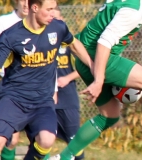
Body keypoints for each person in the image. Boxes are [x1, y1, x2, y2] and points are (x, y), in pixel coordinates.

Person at [49, 0, 142, 160]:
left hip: (84, 58)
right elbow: (104, 42)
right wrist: (99, 80)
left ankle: (65, 156)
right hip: (96, 56)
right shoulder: (135, 10)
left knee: (109, 115)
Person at [0, 0, 93, 159]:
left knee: (46, 141)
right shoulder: (11, 36)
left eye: (54, 9)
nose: (53, 13)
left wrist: (93, 66)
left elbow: (74, 45)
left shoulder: (58, 28)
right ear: (35, 8)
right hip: (13, 99)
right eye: (49, 9)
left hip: (43, 101)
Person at [0, 0, 28, 159]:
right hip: (13, 87)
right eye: (22, 0)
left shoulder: (43, 23)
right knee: (11, 139)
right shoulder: (3, 23)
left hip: (39, 88)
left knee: (43, 137)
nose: (26, 3)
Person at [54, 7, 85, 160]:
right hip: (45, 99)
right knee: (40, 141)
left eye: (58, 19)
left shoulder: (71, 43)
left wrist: (68, 78)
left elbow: (85, 67)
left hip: (67, 99)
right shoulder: (38, 42)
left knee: (75, 142)